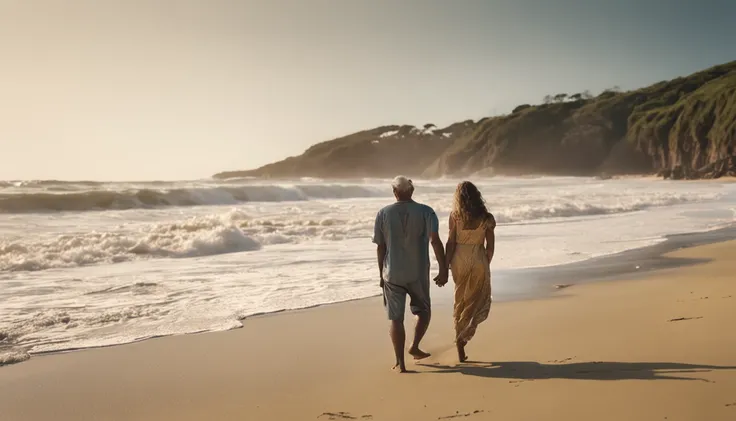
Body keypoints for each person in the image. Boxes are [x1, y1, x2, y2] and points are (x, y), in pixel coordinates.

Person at [373, 176, 448, 373]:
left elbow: (381, 247)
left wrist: (381, 273)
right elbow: (435, 241)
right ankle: (414, 345)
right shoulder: (426, 212)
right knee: (423, 311)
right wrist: (443, 268)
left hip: (392, 273)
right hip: (418, 272)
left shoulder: (383, 213)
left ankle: (400, 363)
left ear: (394, 192)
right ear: (412, 191)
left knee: (395, 319)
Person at [444, 181, 496, 362]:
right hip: (479, 258)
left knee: (461, 299)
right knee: (478, 299)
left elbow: (450, 243)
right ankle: (465, 335)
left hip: (459, 260)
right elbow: (490, 245)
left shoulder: (455, 216)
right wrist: (485, 262)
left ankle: (459, 339)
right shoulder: (486, 217)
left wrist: (445, 264)